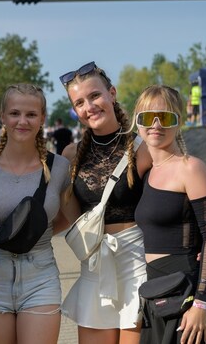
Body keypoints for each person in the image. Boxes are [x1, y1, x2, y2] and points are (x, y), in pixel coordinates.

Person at [132, 85, 206, 344]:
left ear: (179, 122)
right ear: (136, 123)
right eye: (146, 117)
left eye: (164, 117)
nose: (155, 125)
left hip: (188, 291)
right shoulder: (146, 171)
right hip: (158, 292)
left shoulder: (191, 168)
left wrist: (201, 304)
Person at [57, 61, 153, 344]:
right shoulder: (70, 155)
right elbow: (71, 217)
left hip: (136, 265)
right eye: (79, 102)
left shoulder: (144, 148)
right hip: (95, 266)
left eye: (95, 95)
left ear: (112, 93)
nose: (89, 106)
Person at [0, 84, 73, 344]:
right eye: (15, 113)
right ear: (3, 116)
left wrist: (35, 234)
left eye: (31, 114)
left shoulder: (60, 167)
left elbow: (68, 215)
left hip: (39, 274)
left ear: (42, 118)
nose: (22, 121)